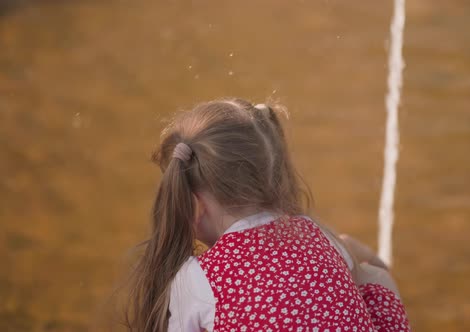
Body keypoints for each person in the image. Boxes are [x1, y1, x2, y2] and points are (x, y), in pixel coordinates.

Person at [124, 98, 411, 331]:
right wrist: (371, 264)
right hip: (349, 256)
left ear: (194, 205)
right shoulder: (315, 231)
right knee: (373, 274)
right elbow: (358, 269)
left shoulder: (197, 278)